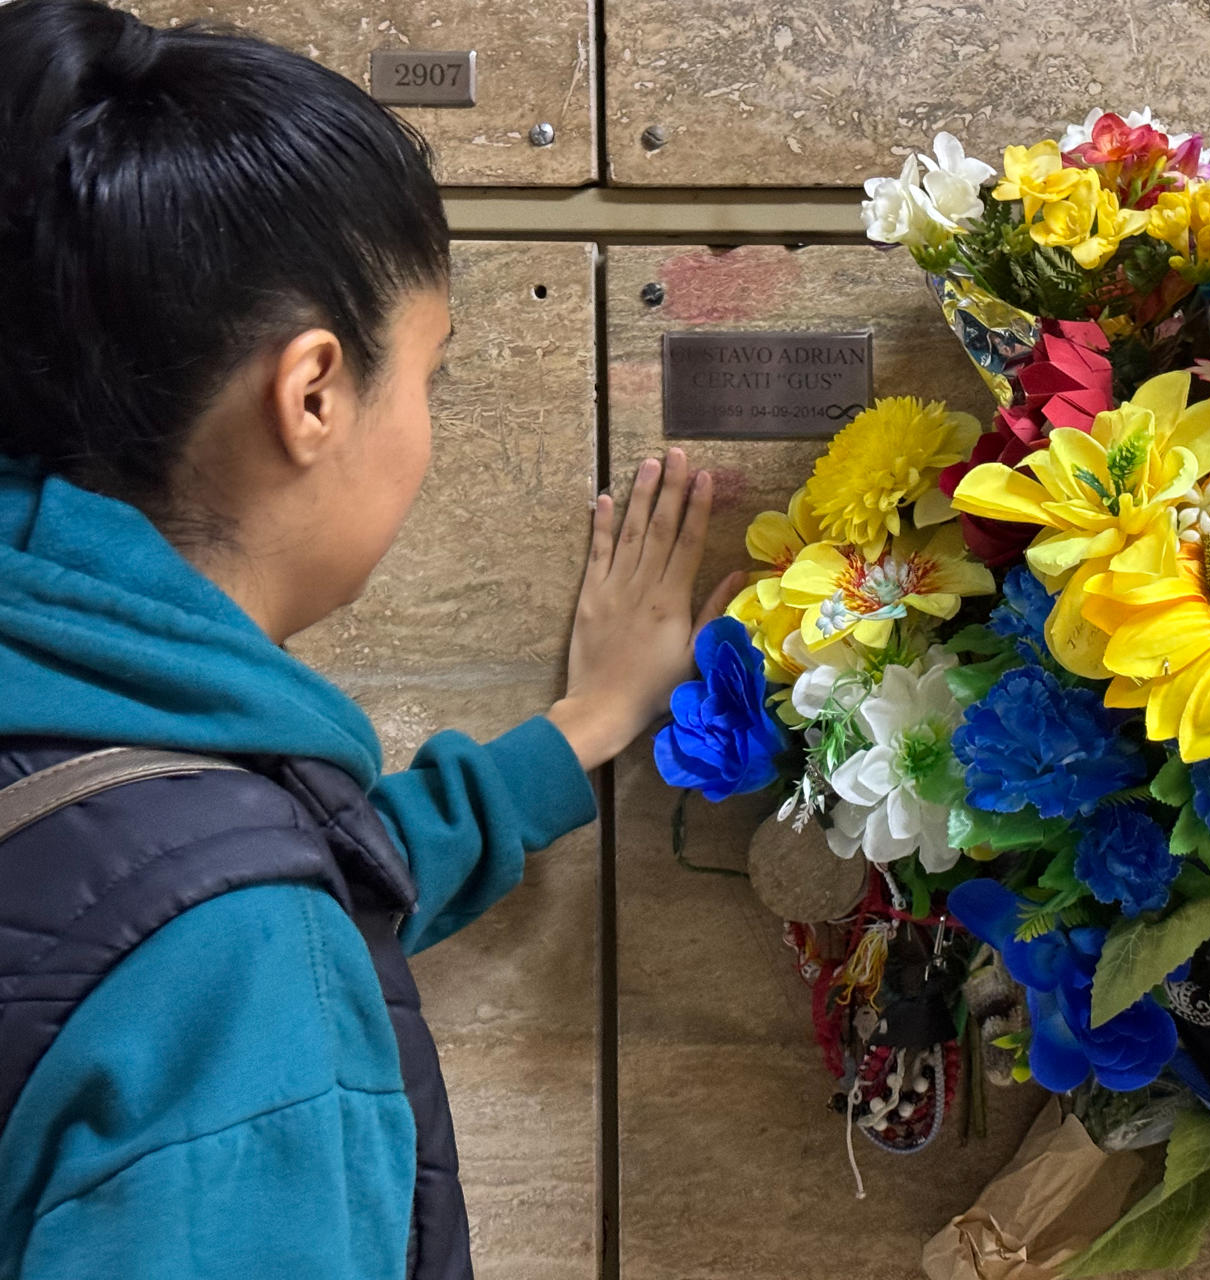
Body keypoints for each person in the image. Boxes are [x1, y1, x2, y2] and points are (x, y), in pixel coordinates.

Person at [0, 3, 740, 1275]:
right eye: (430, 373)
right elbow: (195, 928)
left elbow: (114, 895)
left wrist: (578, 730)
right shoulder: (240, 979)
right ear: (315, 393)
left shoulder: (60, 701)